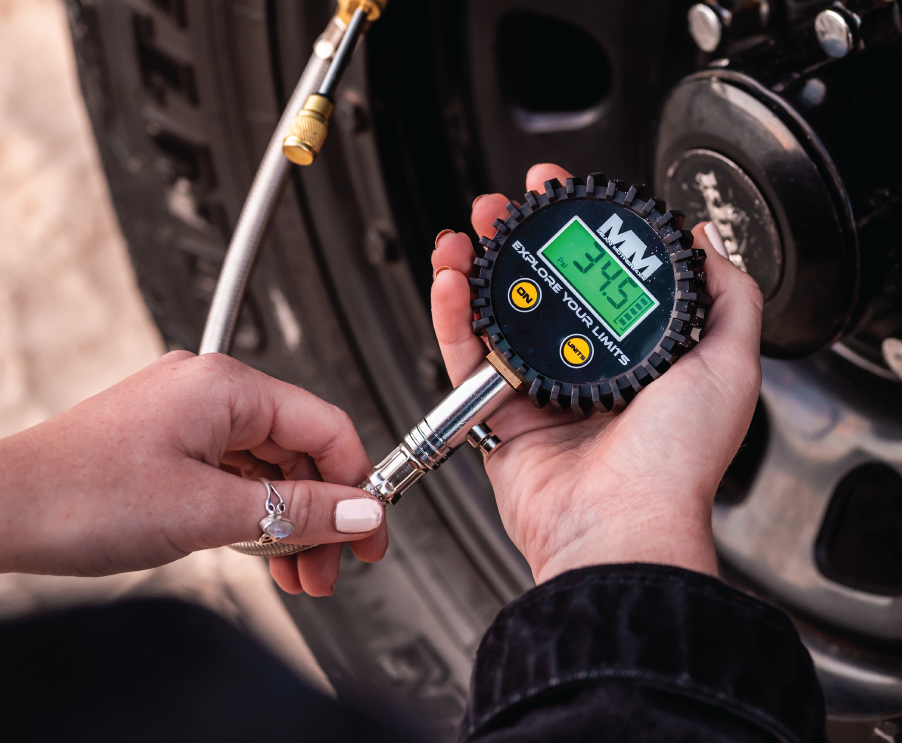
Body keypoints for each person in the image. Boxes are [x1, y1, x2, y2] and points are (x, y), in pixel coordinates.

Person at [0, 164, 825, 742]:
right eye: (588, 273)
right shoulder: (163, 688)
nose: (592, 290)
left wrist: (24, 489)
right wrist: (625, 539)